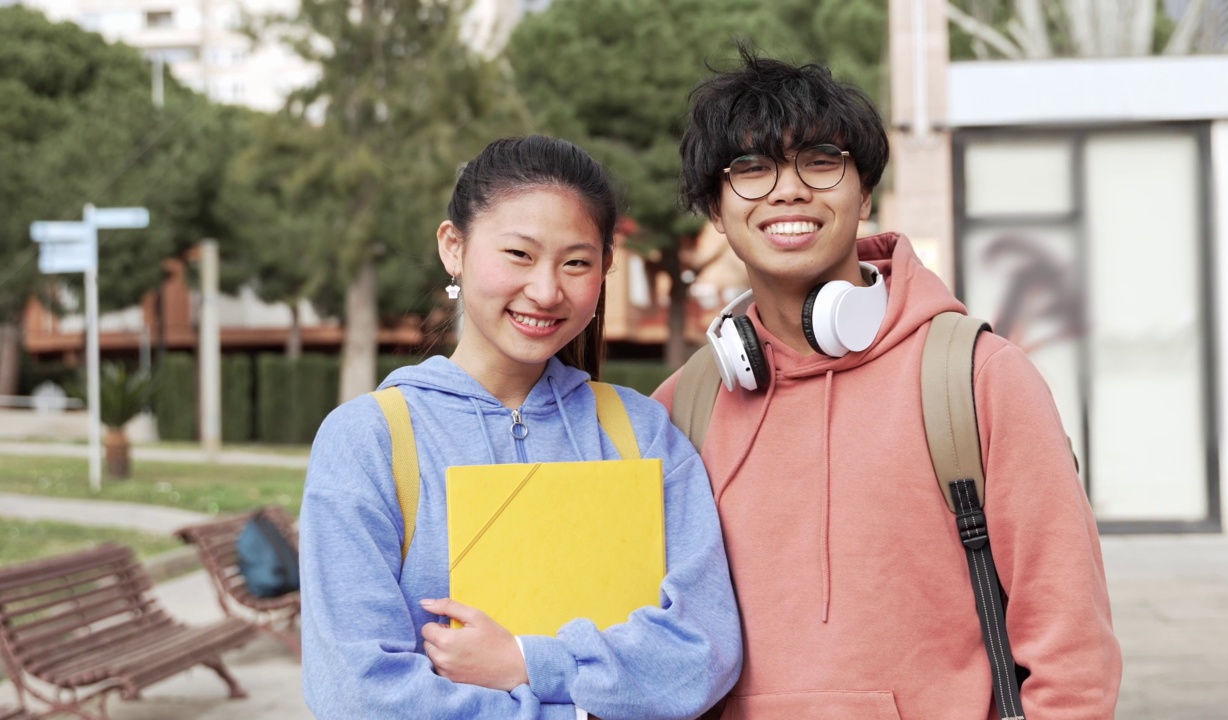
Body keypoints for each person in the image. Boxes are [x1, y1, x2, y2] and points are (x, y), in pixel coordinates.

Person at [652, 50, 1122, 718]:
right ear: (715, 210)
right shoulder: (681, 409)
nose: (789, 190)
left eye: (820, 161)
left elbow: (1070, 644)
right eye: (751, 169)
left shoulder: (976, 377)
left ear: (865, 192)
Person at [301, 135, 742, 720]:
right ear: (453, 247)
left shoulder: (642, 431)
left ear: (605, 268)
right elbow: (359, 692)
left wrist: (527, 661)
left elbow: (703, 651)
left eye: (577, 262)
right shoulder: (370, 442)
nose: (545, 289)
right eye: (519, 254)